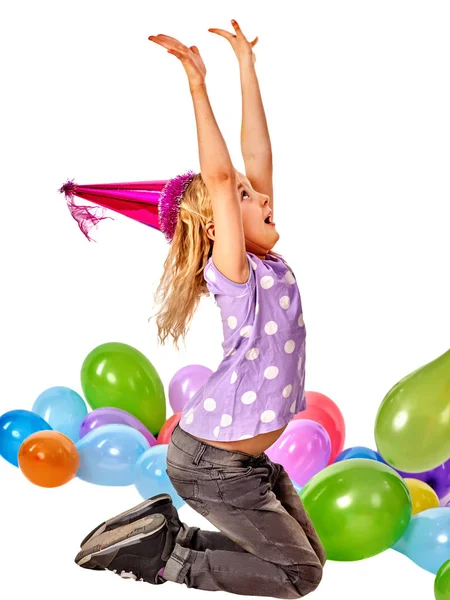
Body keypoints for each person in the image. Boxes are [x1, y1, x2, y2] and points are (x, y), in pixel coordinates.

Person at [74, 19, 326, 598]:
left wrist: (247, 67)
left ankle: (162, 540)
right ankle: (164, 561)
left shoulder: (266, 260)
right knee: (299, 577)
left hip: (237, 467)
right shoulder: (234, 273)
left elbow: (256, 155)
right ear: (218, 226)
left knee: (309, 560)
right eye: (243, 195)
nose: (261, 195)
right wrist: (197, 85)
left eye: (255, 190)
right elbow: (218, 176)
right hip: (210, 467)